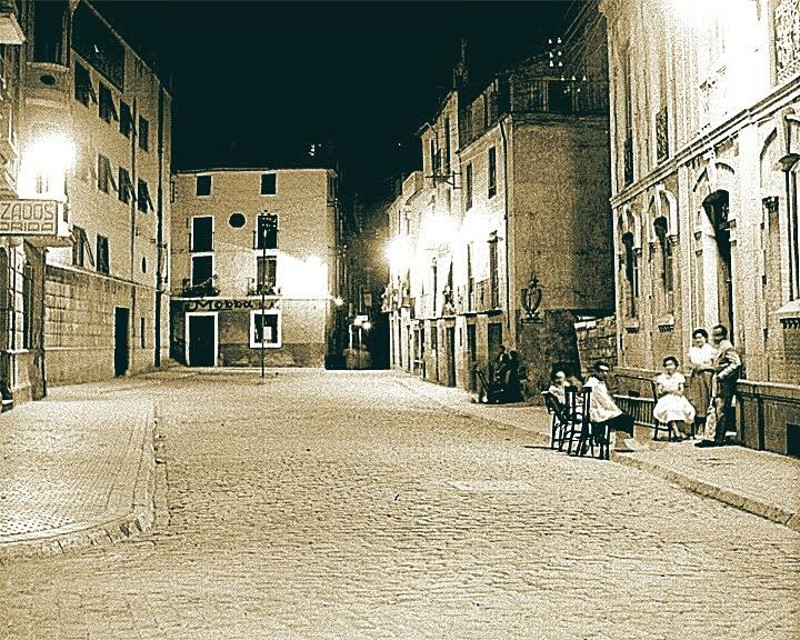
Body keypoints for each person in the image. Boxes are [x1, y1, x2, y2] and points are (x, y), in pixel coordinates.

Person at [696, 324, 742, 448]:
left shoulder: (727, 347)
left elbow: (736, 363)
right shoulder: (720, 347)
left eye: (717, 335)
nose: (714, 338)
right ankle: (709, 437)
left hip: (724, 384)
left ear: (722, 336)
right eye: (713, 335)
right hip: (717, 382)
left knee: (720, 410)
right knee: (714, 408)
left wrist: (722, 375)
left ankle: (718, 438)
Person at [583, 361, 638, 451]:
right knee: (627, 418)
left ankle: (604, 437)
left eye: (606, 371)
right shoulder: (596, 384)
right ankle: (621, 442)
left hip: (595, 411)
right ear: (596, 371)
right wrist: (618, 411)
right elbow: (606, 402)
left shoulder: (594, 382)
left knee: (620, 415)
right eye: (601, 371)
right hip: (597, 412)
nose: (604, 374)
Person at [653, 356, 696, 440]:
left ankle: (683, 432)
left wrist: (672, 391)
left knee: (688, 409)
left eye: (671, 364)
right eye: (667, 365)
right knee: (669, 409)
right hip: (665, 398)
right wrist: (666, 390)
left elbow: (681, 391)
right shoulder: (662, 377)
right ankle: (676, 432)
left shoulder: (679, 376)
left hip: (678, 398)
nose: (669, 367)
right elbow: (660, 391)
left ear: (675, 366)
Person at [686, 328, 716, 436]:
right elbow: (688, 364)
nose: (698, 340)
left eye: (700, 337)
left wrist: (705, 367)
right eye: (696, 338)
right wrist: (695, 367)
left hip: (707, 377)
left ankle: (707, 427)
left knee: (707, 400)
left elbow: (714, 365)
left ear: (705, 338)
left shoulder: (710, 350)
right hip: (696, 377)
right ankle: (698, 426)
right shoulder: (692, 350)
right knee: (697, 401)